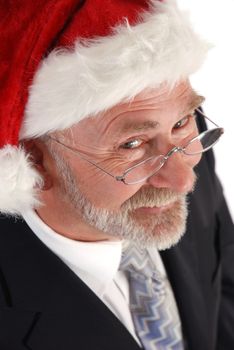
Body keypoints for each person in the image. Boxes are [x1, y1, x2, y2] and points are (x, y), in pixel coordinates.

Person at [0, 1, 233, 349]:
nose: (184, 181)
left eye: (182, 121)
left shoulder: (180, 155)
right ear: (33, 161)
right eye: (133, 144)